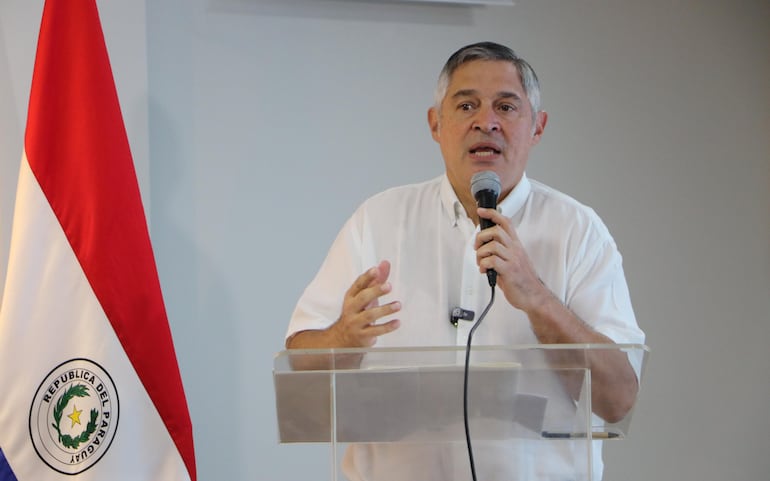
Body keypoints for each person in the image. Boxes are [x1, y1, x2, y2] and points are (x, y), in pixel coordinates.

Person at [285, 41, 645, 481]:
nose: (486, 122)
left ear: (538, 126)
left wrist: (537, 297)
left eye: (506, 107)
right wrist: (343, 336)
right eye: (467, 105)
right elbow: (300, 364)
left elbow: (618, 398)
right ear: (436, 123)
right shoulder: (377, 220)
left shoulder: (579, 231)